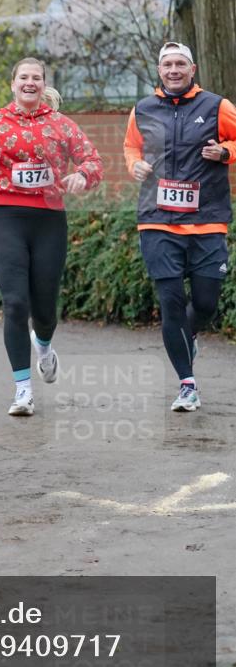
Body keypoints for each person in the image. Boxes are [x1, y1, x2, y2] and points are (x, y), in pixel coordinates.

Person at [0, 60, 103, 417]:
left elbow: (92, 160)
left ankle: (43, 346)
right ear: (13, 83)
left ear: (43, 85)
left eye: (36, 78)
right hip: (3, 217)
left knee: (45, 309)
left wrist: (82, 176)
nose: (30, 82)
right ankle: (23, 390)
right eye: (23, 77)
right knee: (15, 303)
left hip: (49, 220)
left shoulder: (60, 124)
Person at [124, 41, 236, 412]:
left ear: (192, 69)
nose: (173, 70)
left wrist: (225, 152)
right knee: (170, 303)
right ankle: (187, 384)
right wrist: (135, 165)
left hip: (207, 220)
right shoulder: (143, 108)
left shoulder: (217, 106)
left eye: (180, 64)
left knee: (205, 304)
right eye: (167, 65)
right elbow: (131, 147)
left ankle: (188, 338)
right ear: (159, 70)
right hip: (157, 221)